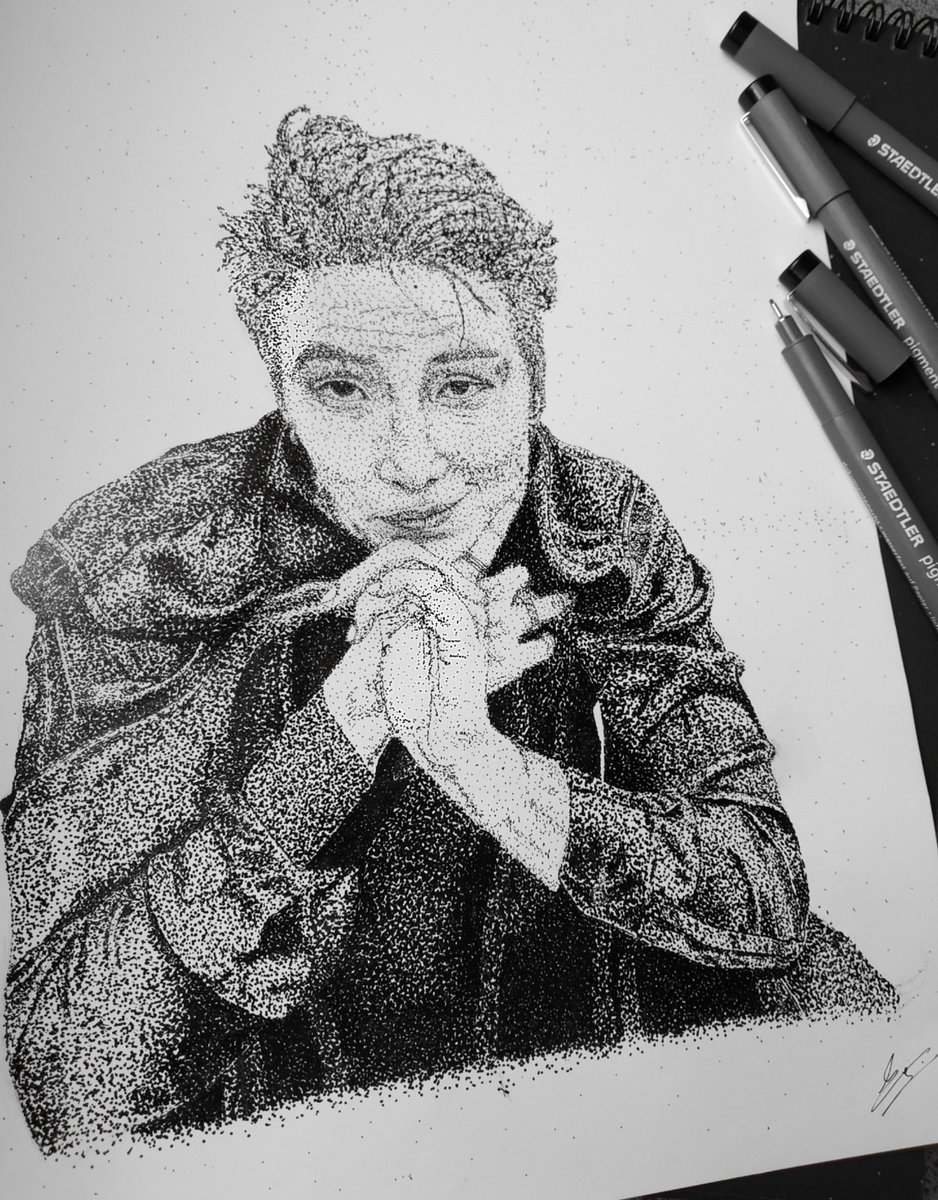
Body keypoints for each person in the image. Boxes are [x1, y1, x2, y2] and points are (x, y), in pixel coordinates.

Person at [3, 110, 893, 1154]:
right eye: (341, 389)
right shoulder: (146, 559)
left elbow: (762, 897)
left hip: (605, 1095)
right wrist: (342, 729)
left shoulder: (593, 522)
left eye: (463, 385)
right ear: (280, 390)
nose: (413, 461)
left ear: (533, 381)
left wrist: (470, 753)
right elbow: (70, 1078)